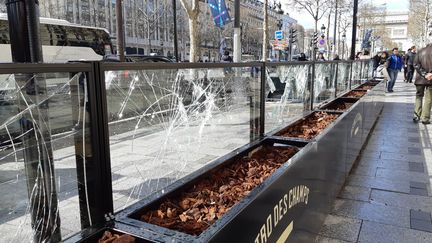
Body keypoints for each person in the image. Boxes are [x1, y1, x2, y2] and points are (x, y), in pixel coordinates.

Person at [413, 44, 432, 124]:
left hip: (420, 79)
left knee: (419, 96)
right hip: (431, 79)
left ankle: (416, 115)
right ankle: (425, 118)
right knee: (429, 98)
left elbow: (416, 65)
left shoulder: (420, 51)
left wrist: (424, 74)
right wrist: (429, 74)